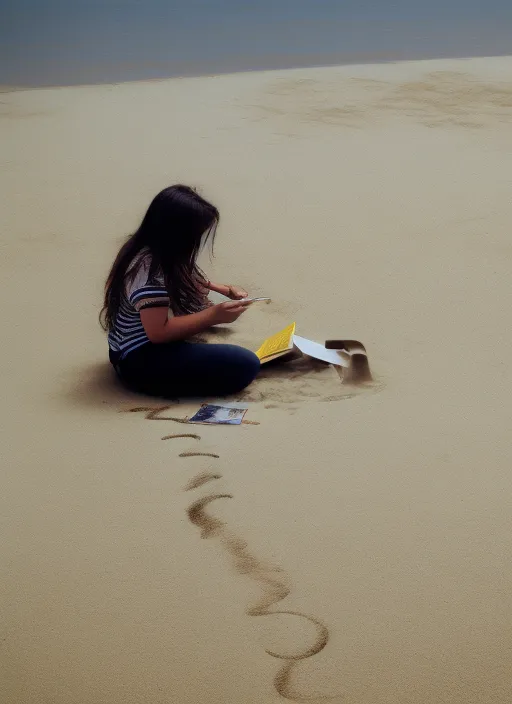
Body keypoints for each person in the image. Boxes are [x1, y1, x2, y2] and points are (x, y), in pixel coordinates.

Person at [100, 185, 260, 397]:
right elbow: (158, 333)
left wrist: (222, 289)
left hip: (122, 348)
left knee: (232, 354)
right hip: (137, 360)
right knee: (245, 364)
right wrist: (212, 316)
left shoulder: (144, 246)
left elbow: (184, 277)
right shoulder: (149, 272)